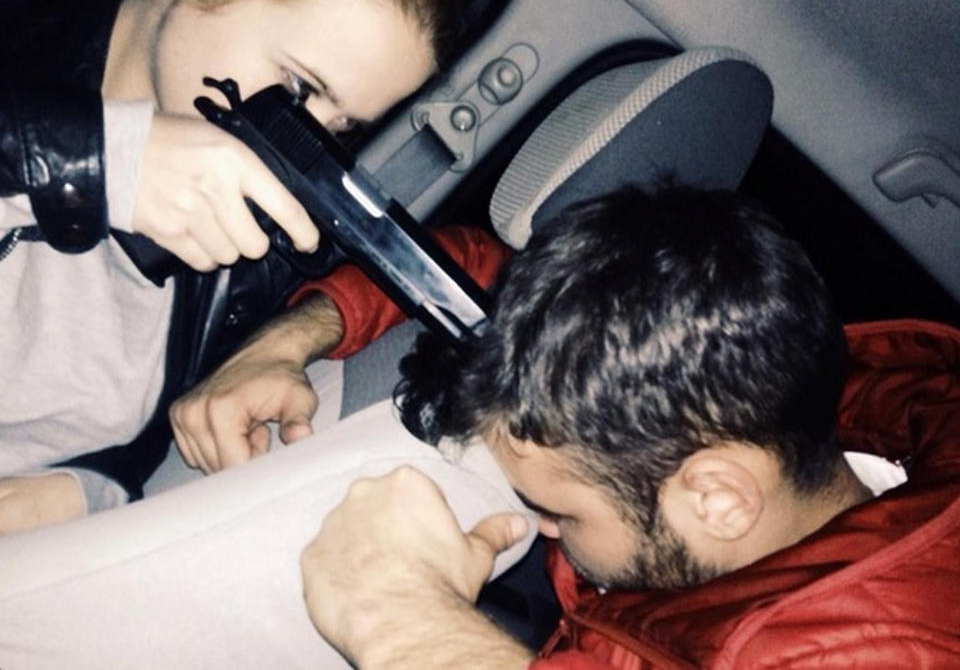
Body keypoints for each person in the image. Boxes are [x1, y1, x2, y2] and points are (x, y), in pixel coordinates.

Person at [297, 187, 960, 667]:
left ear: (719, 499)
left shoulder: (882, 651)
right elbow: (474, 264)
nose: (541, 526)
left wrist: (403, 622)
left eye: (561, 512)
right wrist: (296, 336)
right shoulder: (758, 379)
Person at [0, 0, 498, 544]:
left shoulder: (248, 253)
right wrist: (95, 159)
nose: (302, 146)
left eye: (341, 127)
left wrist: (91, 486)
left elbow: (141, 428)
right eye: (300, 87)